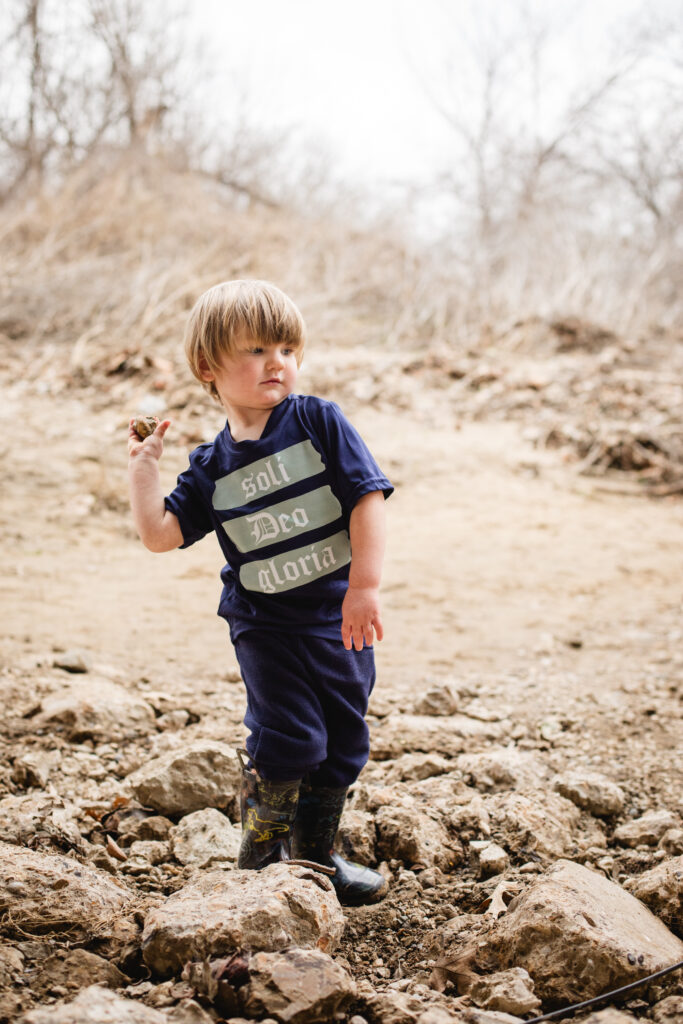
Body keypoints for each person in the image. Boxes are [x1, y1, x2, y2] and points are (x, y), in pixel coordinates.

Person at [127, 278, 393, 905]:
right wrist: (143, 472)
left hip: (338, 614)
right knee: (288, 736)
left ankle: (317, 858)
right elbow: (161, 536)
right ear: (208, 368)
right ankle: (260, 859)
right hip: (264, 625)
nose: (277, 362)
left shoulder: (317, 421)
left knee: (345, 738)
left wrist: (365, 586)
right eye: (255, 350)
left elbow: (367, 497)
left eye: (287, 349)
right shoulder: (210, 468)